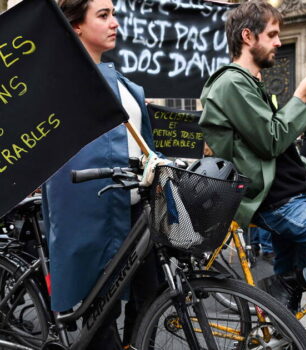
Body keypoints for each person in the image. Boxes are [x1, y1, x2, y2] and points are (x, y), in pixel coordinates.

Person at [199, 0, 306, 330]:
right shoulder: (230, 83)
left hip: (292, 198)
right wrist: (302, 95)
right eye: (273, 34)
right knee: (290, 284)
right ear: (248, 36)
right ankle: (288, 285)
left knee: (285, 314)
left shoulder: (249, 83)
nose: (279, 42)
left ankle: (280, 323)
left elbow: (275, 149)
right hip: (280, 205)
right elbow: (271, 138)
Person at [41, 0, 160, 348]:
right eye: (104, 15)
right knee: (101, 315)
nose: (115, 23)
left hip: (138, 209)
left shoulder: (121, 82)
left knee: (151, 297)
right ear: (76, 25)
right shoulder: (60, 80)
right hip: (92, 209)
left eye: (114, 14)